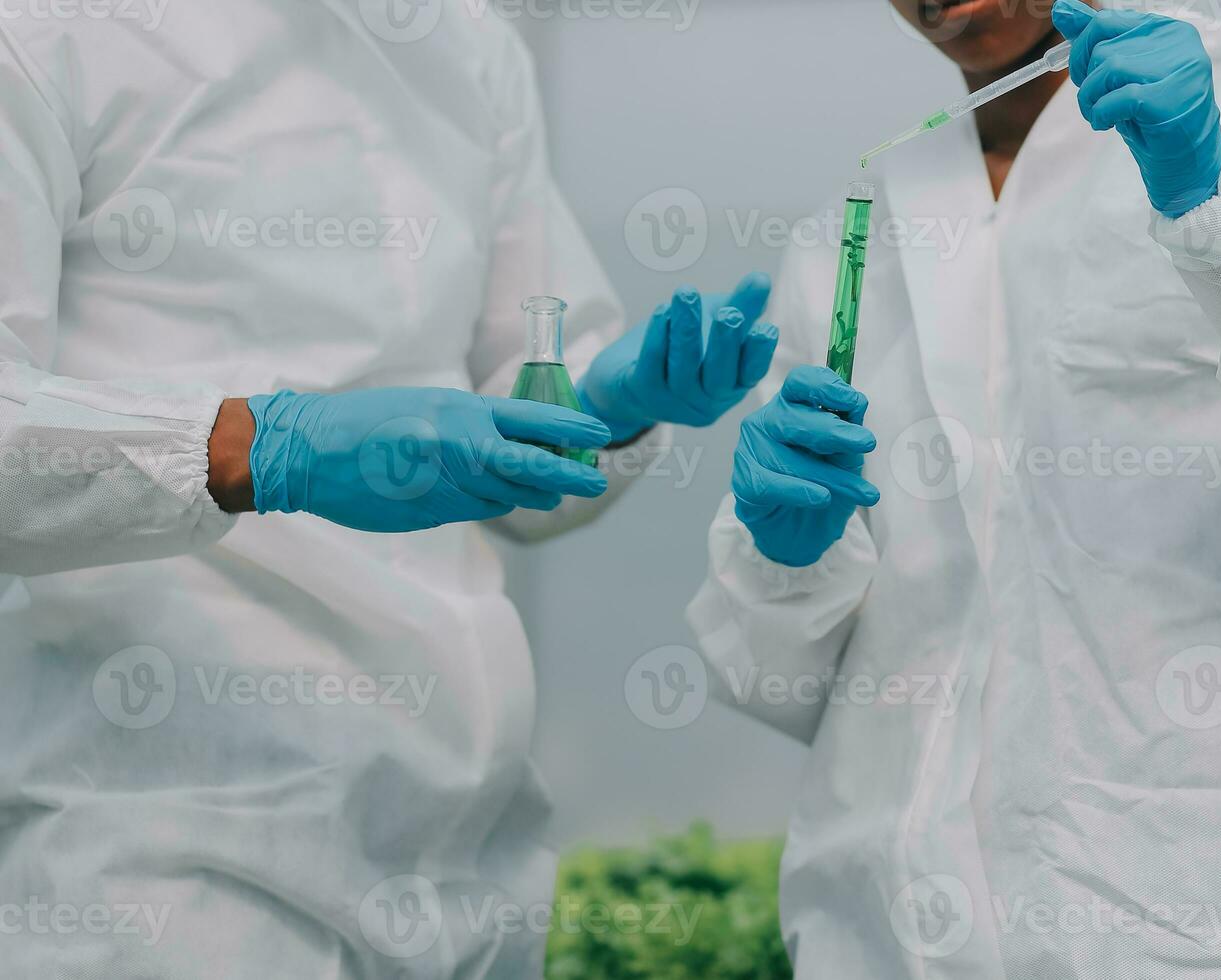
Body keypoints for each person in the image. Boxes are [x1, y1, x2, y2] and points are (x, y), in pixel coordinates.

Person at [687, 1, 1221, 977]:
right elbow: (775, 670)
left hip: (1206, 925)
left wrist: (1213, 203)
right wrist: (788, 549)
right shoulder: (856, 228)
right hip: (886, 929)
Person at [0, 2, 776, 975]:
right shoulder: (48, 31)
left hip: (467, 846)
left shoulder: (468, 44)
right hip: (164, 850)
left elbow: (522, 440)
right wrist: (265, 447)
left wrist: (606, 405)